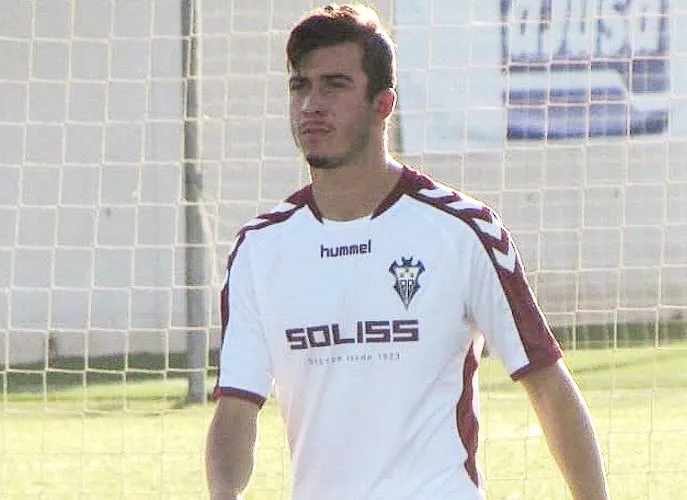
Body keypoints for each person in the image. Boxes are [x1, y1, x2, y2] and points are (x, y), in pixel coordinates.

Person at [205, 4, 610, 500]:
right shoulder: (260, 248)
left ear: (383, 103)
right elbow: (235, 407)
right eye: (299, 86)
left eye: (335, 85)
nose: (312, 103)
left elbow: (545, 382)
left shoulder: (462, 230)